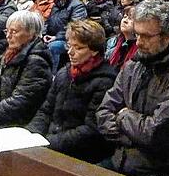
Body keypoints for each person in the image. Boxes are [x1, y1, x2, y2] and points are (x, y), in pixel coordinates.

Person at [96, 0, 169, 176]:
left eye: (146, 36)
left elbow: (155, 135)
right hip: (120, 162)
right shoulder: (133, 66)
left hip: (160, 174)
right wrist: (132, 138)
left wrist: (123, 115)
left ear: (167, 36)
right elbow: (103, 113)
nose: (138, 42)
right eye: (137, 35)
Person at [25, 20, 117, 163]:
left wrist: (48, 142)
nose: (70, 52)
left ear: (94, 50)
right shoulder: (64, 73)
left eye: (78, 48)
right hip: (52, 140)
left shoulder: (105, 81)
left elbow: (91, 130)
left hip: (82, 153)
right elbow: (46, 110)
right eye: (69, 46)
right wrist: (31, 135)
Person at [44, 0, 88, 73]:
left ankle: (53, 75)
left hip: (68, 40)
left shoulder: (77, 5)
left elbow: (74, 26)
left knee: (53, 47)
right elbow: (48, 21)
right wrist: (44, 34)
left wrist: (56, 37)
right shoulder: (56, 4)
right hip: (52, 36)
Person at [105, 5, 138, 70]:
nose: (125, 20)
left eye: (130, 18)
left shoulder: (140, 49)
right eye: (124, 17)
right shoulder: (113, 42)